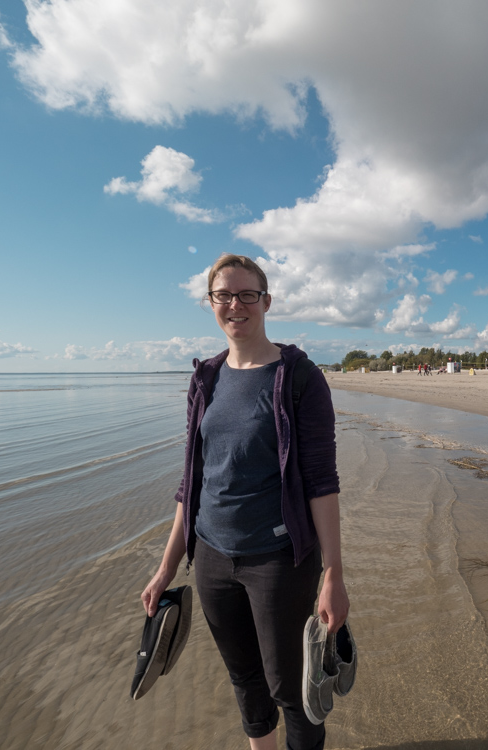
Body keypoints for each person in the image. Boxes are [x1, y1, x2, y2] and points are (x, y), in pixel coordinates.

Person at [141, 253, 348, 750]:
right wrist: (167, 566)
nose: (235, 304)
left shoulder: (298, 377)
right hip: (210, 557)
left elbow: (322, 481)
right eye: (223, 295)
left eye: (247, 294)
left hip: (278, 560)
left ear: (266, 301)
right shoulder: (205, 379)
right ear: (210, 302)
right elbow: (191, 482)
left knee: (293, 691)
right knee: (245, 681)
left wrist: (333, 574)